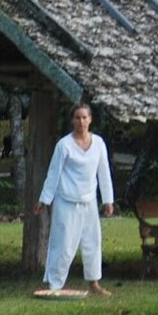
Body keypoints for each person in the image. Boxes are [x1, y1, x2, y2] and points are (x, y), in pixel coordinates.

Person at [33, 103, 114, 295]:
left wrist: (108, 200)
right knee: (63, 245)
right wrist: (44, 200)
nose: (81, 122)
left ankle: (94, 284)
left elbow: (104, 173)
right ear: (72, 121)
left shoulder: (99, 144)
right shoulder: (64, 145)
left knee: (92, 243)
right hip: (66, 202)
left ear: (90, 120)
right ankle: (55, 285)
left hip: (89, 202)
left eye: (85, 117)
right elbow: (53, 174)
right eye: (77, 118)